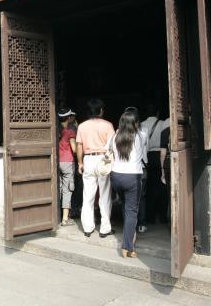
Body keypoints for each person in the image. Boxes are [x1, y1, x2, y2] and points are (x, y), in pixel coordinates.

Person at [109, 110, 147, 258]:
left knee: (126, 207)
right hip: (132, 178)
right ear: (136, 123)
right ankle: (127, 247)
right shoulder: (141, 136)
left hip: (116, 177)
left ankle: (129, 237)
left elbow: (109, 150)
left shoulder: (115, 137)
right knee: (131, 211)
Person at [76, 99, 115, 238]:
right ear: (101, 111)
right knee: (104, 195)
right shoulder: (108, 125)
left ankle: (88, 228)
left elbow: (79, 146)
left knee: (88, 195)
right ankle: (105, 228)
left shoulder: (82, 126)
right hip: (103, 159)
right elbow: (112, 146)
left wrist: (80, 163)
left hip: (88, 159)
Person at [138, 104, 162, 234]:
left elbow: (144, 147)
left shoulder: (141, 125)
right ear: (157, 112)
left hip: (147, 157)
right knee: (161, 186)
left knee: (149, 189)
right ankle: (162, 216)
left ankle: (150, 216)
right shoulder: (162, 123)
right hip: (161, 154)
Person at [58, 108, 77, 226]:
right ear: (69, 118)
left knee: (59, 189)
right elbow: (74, 149)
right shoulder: (70, 131)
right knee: (67, 190)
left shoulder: (56, 130)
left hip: (57, 161)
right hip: (68, 162)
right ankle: (65, 219)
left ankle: (57, 215)